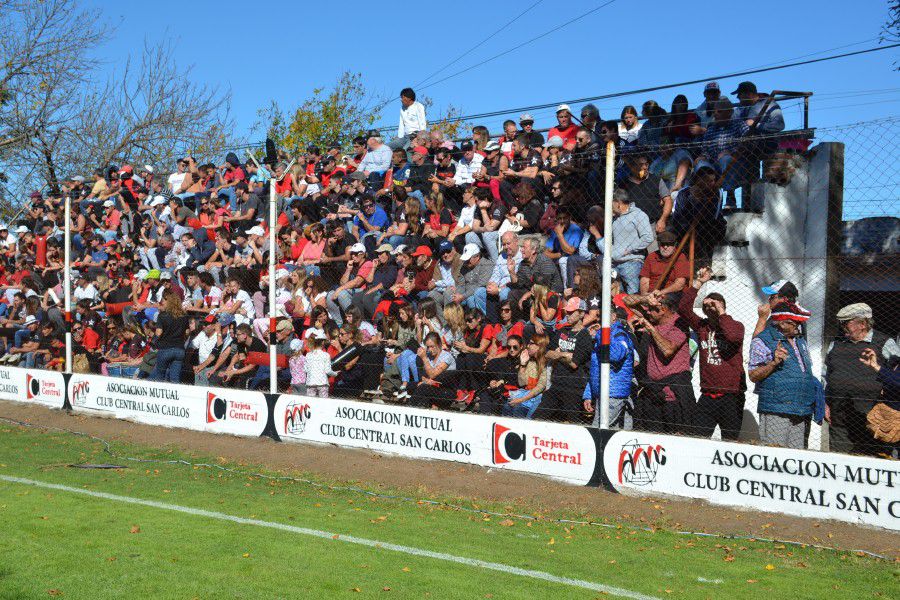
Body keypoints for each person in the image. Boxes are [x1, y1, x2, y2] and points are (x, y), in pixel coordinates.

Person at [677, 267, 747, 440]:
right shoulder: (702, 326)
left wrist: (721, 313)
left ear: (722, 306)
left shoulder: (736, 325)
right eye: (706, 305)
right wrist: (698, 283)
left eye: (712, 304)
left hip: (731, 396)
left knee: (729, 441)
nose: (709, 308)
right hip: (708, 395)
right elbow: (683, 309)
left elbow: (732, 337)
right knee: (698, 439)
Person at [748, 301, 819, 449]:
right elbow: (753, 375)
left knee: (797, 457)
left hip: (801, 409)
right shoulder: (763, 340)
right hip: (777, 409)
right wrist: (773, 363)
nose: (799, 326)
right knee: (774, 453)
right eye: (795, 322)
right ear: (782, 323)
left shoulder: (800, 341)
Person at [826, 303, 893, 455]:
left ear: (862, 324)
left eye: (846, 322)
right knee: (839, 459)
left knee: (872, 461)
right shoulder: (835, 344)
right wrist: (825, 402)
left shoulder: (884, 343)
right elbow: (826, 375)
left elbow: (896, 374)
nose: (842, 326)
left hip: (873, 419)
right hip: (840, 418)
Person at [631, 294, 693, 434]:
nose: (648, 312)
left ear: (663, 309)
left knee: (673, 440)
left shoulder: (679, 324)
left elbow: (667, 350)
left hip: (673, 396)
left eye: (651, 309)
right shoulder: (653, 319)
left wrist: (651, 330)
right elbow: (626, 301)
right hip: (653, 394)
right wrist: (645, 299)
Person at [536, 297, 593, 423]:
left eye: (572, 312)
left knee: (574, 424)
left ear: (582, 313)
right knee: (537, 418)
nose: (568, 315)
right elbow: (546, 353)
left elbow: (574, 363)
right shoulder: (562, 331)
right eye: (567, 311)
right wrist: (564, 354)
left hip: (574, 389)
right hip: (556, 385)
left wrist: (557, 354)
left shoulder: (585, 336)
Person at [587, 305, 635, 429]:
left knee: (598, 429)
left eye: (601, 316)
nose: (598, 320)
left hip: (613, 392)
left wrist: (600, 334)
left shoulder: (619, 334)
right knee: (610, 431)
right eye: (598, 316)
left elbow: (615, 355)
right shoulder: (604, 335)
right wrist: (588, 394)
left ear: (613, 317)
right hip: (602, 391)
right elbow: (596, 367)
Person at [605, 189, 653, 294]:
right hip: (614, 264)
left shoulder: (639, 215)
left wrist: (629, 249)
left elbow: (648, 237)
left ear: (618, 203)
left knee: (632, 296)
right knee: (615, 297)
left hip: (632, 263)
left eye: (611, 203)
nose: (609, 206)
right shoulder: (613, 218)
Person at [503, 333, 548, 419]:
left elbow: (540, 387)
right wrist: (523, 365)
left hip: (537, 397)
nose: (527, 346)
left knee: (517, 409)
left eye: (531, 343)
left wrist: (521, 400)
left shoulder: (546, 363)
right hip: (525, 394)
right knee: (507, 407)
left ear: (539, 346)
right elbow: (522, 383)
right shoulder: (530, 361)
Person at [149, 289, 189, 383]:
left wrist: (153, 342)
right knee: (175, 379)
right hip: (179, 349)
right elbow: (187, 332)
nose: (162, 303)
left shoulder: (162, 316)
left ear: (168, 302)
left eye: (163, 301)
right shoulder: (184, 315)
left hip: (165, 348)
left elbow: (158, 332)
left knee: (159, 378)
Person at [639, 230, 689, 295]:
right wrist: (645, 295)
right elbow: (644, 279)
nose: (665, 247)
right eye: (663, 244)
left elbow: (680, 284)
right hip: (650, 293)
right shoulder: (651, 257)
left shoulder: (680, 257)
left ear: (674, 245)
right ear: (658, 244)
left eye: (669, 244)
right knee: (628, 299)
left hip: (671, 293)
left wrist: (661, 293)